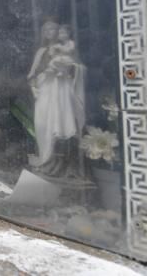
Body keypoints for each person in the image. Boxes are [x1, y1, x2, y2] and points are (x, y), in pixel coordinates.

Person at [27, 21, 87, 179]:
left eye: (52, 28)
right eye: (45, 28)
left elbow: (80, 68)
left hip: (61, 91)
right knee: (42, 124)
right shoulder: (41, 51)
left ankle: (59, 166)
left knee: (60, 123)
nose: (49, 31)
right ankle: (45, 160)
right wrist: (36, 84)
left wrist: (69, 69)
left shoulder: (68, 48)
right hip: (44, 92)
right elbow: (32, 74)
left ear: (59, 31)